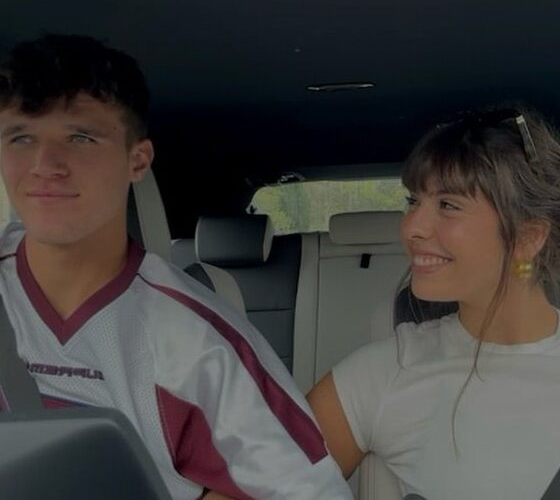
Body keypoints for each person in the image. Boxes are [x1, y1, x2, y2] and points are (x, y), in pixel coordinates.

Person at [0, 34, 352, 500]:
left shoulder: (198, 343)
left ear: (137, 160)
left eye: (80, 137)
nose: (45, 164)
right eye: (21, 137)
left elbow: (305, 492)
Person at [307, 108, 560, 499]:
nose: (411, 227)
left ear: (528, 237)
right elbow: (263, 484)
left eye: (448, 205)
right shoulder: (382, 373)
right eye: (413, 201)